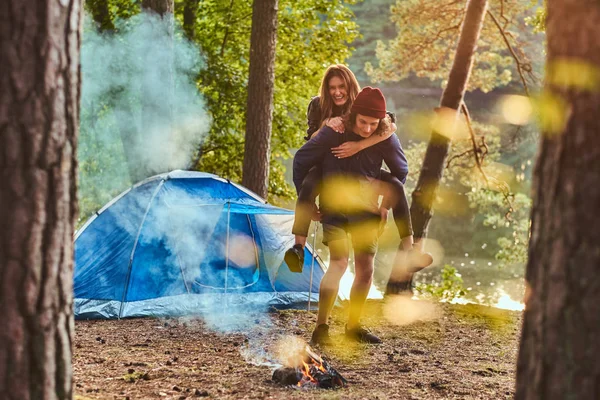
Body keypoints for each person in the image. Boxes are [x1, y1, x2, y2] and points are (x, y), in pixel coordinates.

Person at [293, 87, 431, 345]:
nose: (368, 129)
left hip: (367, 214)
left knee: (366, 271)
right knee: (339, 264)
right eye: (363, 123)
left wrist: (384, 206)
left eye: (373, 124)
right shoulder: (334, 132)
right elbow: (302, 159)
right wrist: (307, 200)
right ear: (354, 116)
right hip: (334, 209)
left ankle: (353, 327)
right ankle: (321, 328)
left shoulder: (384, 138)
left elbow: (400, 172)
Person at [285, 65, 405, 272]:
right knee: (307, 185)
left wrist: (359, 145)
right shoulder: (317, 105)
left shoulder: (363, 104)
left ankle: (410, 244)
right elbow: (310, 141)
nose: (337, 92)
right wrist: (327, 126)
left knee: (395, 183)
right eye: (332, 87)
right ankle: (298, 248)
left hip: (359, 166)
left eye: (341, 86)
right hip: (326, 165)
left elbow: (389, 127)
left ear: (350, 86)